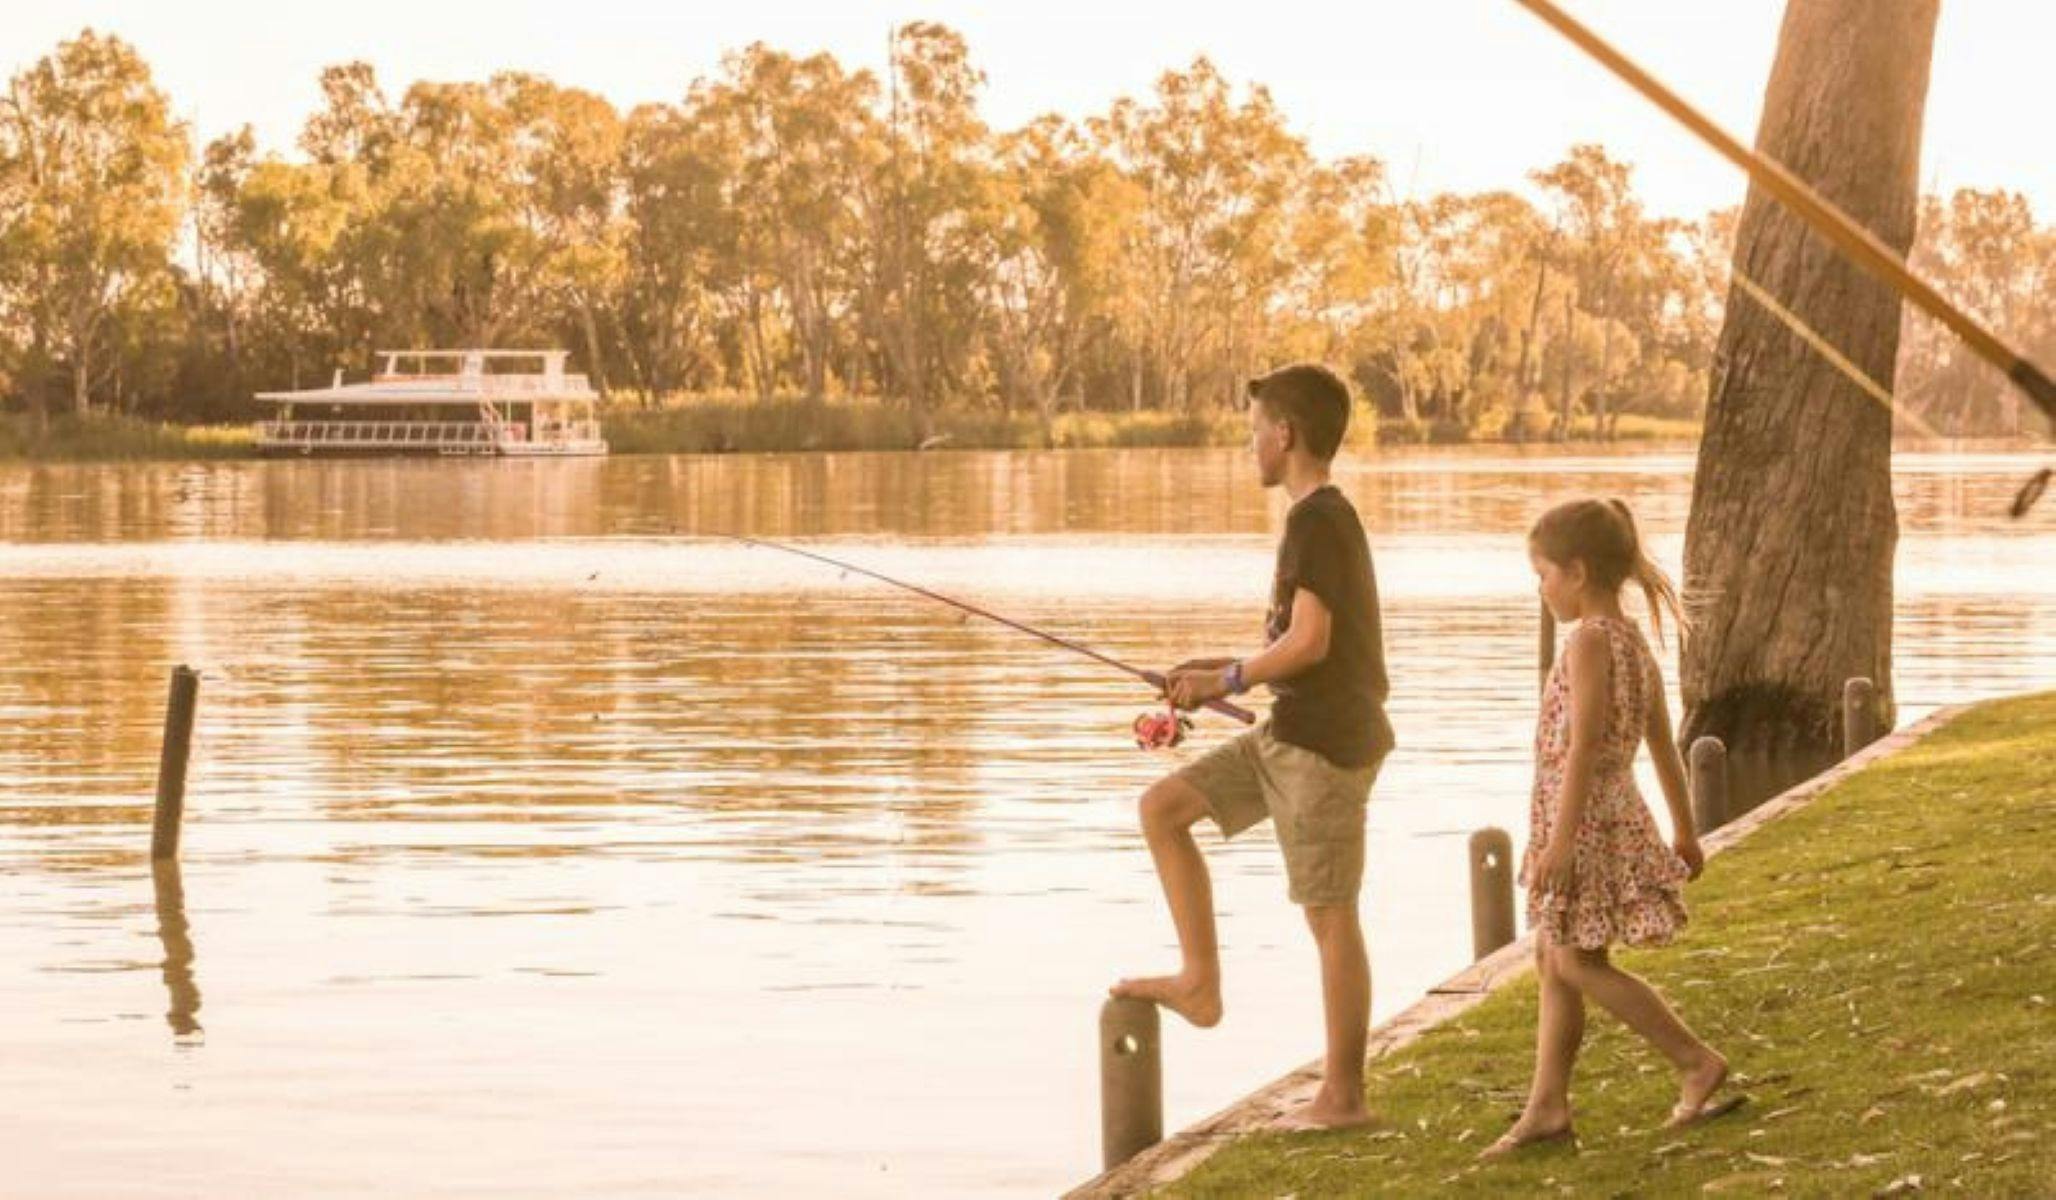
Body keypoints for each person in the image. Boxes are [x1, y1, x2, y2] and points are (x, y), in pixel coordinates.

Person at [1111, 362, 1395, 1130]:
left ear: (1285, 434)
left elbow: (1311, 642)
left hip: (1326, 749)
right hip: (1290, 733)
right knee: (1164, 808)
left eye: (1252, 433)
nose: (1248, 448)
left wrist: (1228, 680)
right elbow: (1301, 649)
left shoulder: (1318, 520)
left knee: (1330, 915)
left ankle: (1344, 1098)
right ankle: (1199, 983)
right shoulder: (1315, 519)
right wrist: (1213, 672)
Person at [1482, 498, 1737, 1158]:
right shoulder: (1632, 644)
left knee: (1574, 959)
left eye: (1542, 575)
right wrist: (1686, 830)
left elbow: (1585, 747)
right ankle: (1547, 1108)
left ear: (1576, 571)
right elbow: (1662, 746)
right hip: (1603, 813)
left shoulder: (1590, 641)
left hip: (1585, 820)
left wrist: (1561, 841)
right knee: (1553, 954)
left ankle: (1694, 1061)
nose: (1540, 589)